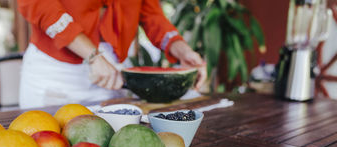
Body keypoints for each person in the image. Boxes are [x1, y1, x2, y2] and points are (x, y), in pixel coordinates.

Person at [17, 0, 206, 108]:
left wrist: (183, 50)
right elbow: (39, 4)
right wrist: (92, 55)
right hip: (56, 71)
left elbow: (151, 14)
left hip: (111, 73)